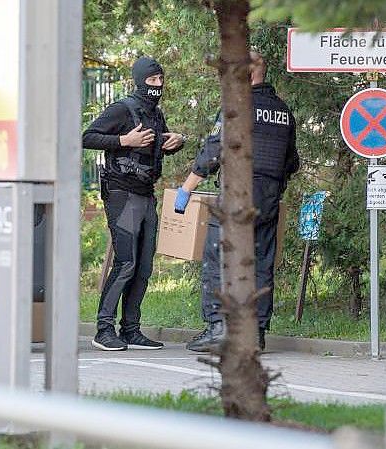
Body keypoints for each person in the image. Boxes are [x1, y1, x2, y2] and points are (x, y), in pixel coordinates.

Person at [174, 52, 298, 352]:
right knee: (261, 264)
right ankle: (256, 333)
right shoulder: (283, 112)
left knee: (218, 257)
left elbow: (214, 152)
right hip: (268, 200)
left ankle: (218, 326)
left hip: (237, 194)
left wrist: (186, 190)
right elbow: (291, 162)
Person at [83, 56, 185, 351]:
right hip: (121, 194)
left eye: (161, 80)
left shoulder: (155, 115)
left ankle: (131, 330)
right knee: (126, 262)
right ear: (140, 81)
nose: (158, 86)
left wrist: (177, 141)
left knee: (143, 266)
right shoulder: (121, 109)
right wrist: (123, 142)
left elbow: (155, 151)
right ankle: (104, 330)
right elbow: (87, 137)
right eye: (152, 81)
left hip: (145, 194)